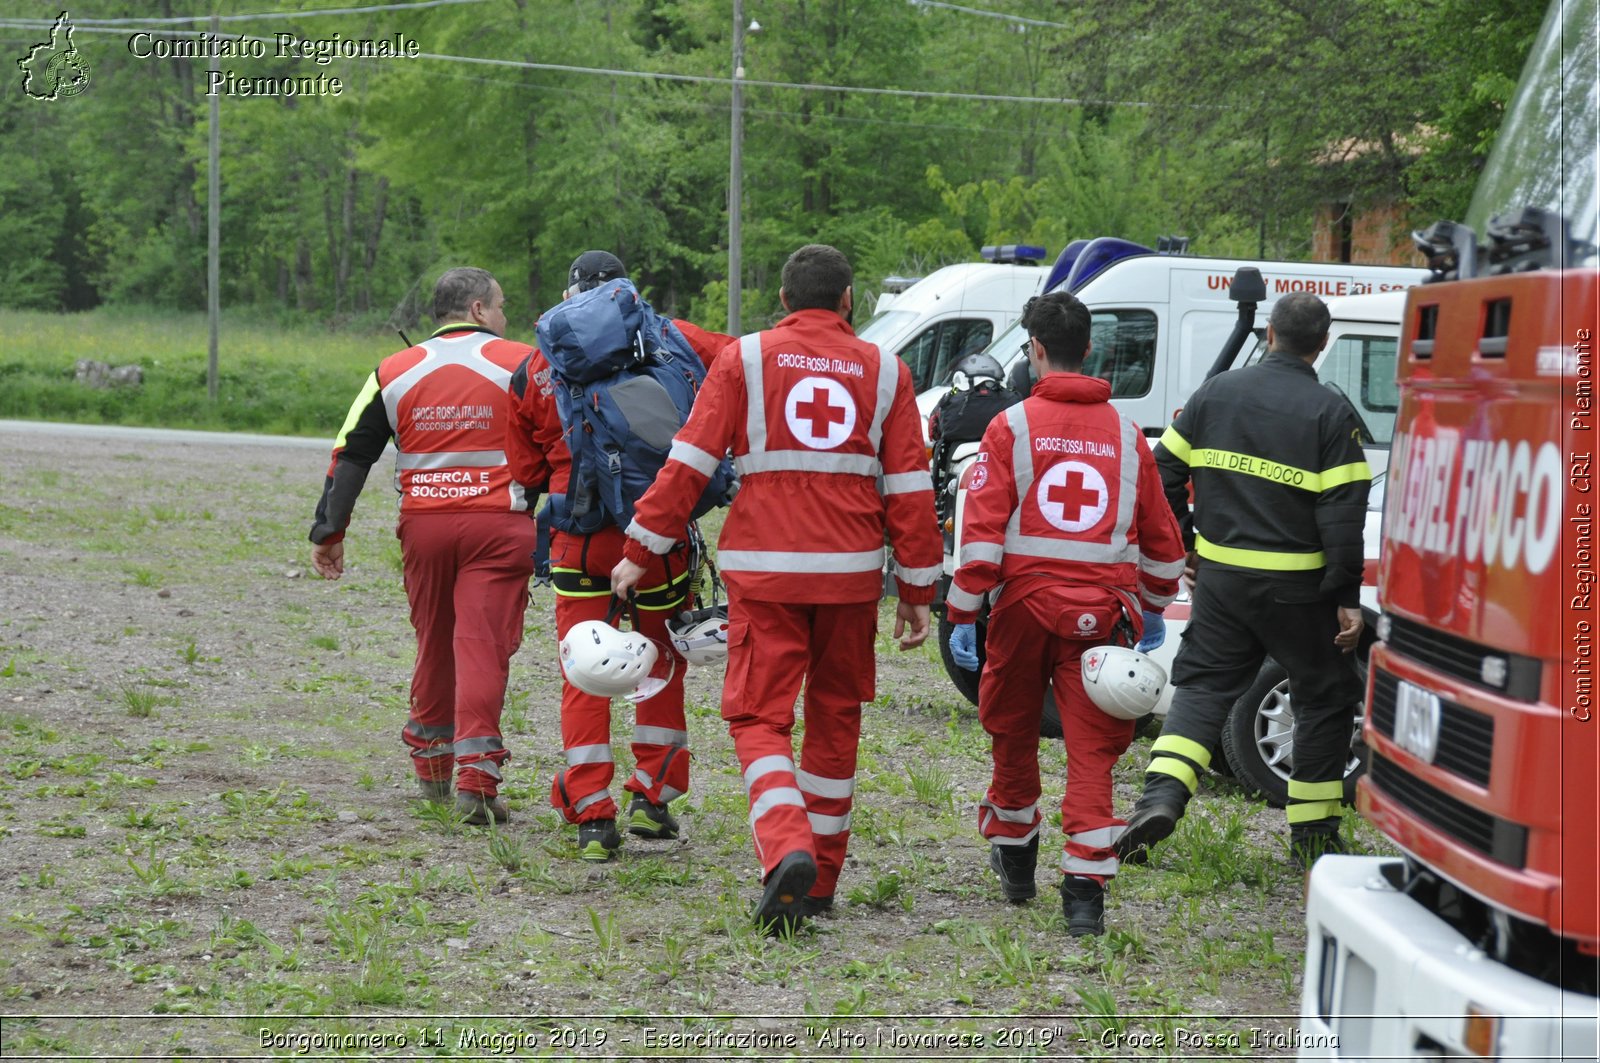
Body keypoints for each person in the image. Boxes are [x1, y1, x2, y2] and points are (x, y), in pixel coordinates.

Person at [610, 243, 943, 932]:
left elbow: (690, 461)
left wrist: (641, 547)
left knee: (759, 718)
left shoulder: (746, 358)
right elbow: (910, 486)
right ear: (849, 300)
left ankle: (786, 842)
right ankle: (818, 878)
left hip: (767, 573)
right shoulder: (887, 370)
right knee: (835, 717)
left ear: (786, 300)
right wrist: (917, 585)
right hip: (850, 579)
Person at [944, 291, 1185, 936]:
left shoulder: (1011, 426)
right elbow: (1163, 541)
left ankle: (1017, 861)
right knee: (1092, 756)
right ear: (1091, 351)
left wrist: (964, 611)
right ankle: (1084, 896)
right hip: (1102, 619)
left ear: (1038, 352)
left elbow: (982, 532)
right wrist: (1154, 607)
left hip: (1022, 609)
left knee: (1013, 731)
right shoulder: (1129, 436)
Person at [1116, 291, 1368, 870]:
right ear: (1322, 344)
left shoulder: (1216, 393)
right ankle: (1313, 840)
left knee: (1202, 689)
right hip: (1300, 593)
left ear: (1271, 335)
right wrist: (1346, 598)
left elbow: (1163, 472)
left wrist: (1185, 543)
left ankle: (1159, 799)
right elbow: (1343, 513)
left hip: (1223, 581)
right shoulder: (1331, 414)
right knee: (1325, 700)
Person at [505, 250, 735, 862]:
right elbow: (741, 370)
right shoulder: (675, 337)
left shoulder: (538, 365)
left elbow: (526, 470)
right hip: (658, 538)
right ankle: (653, 798)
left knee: (583, 672)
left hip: (579, 542)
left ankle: (590, 813)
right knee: (660, 660)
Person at [309, 267, 536, 825]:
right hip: (500, 526)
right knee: (481, 645)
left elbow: (351, 452)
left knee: (434, 640)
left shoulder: (392, 370)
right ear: (479, 309)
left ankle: (433, 770)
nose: (507, 317)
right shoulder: (524, 362)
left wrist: (329, 532)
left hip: (425, 524)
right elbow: (561, 441)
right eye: (502, 305)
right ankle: (477, 781)